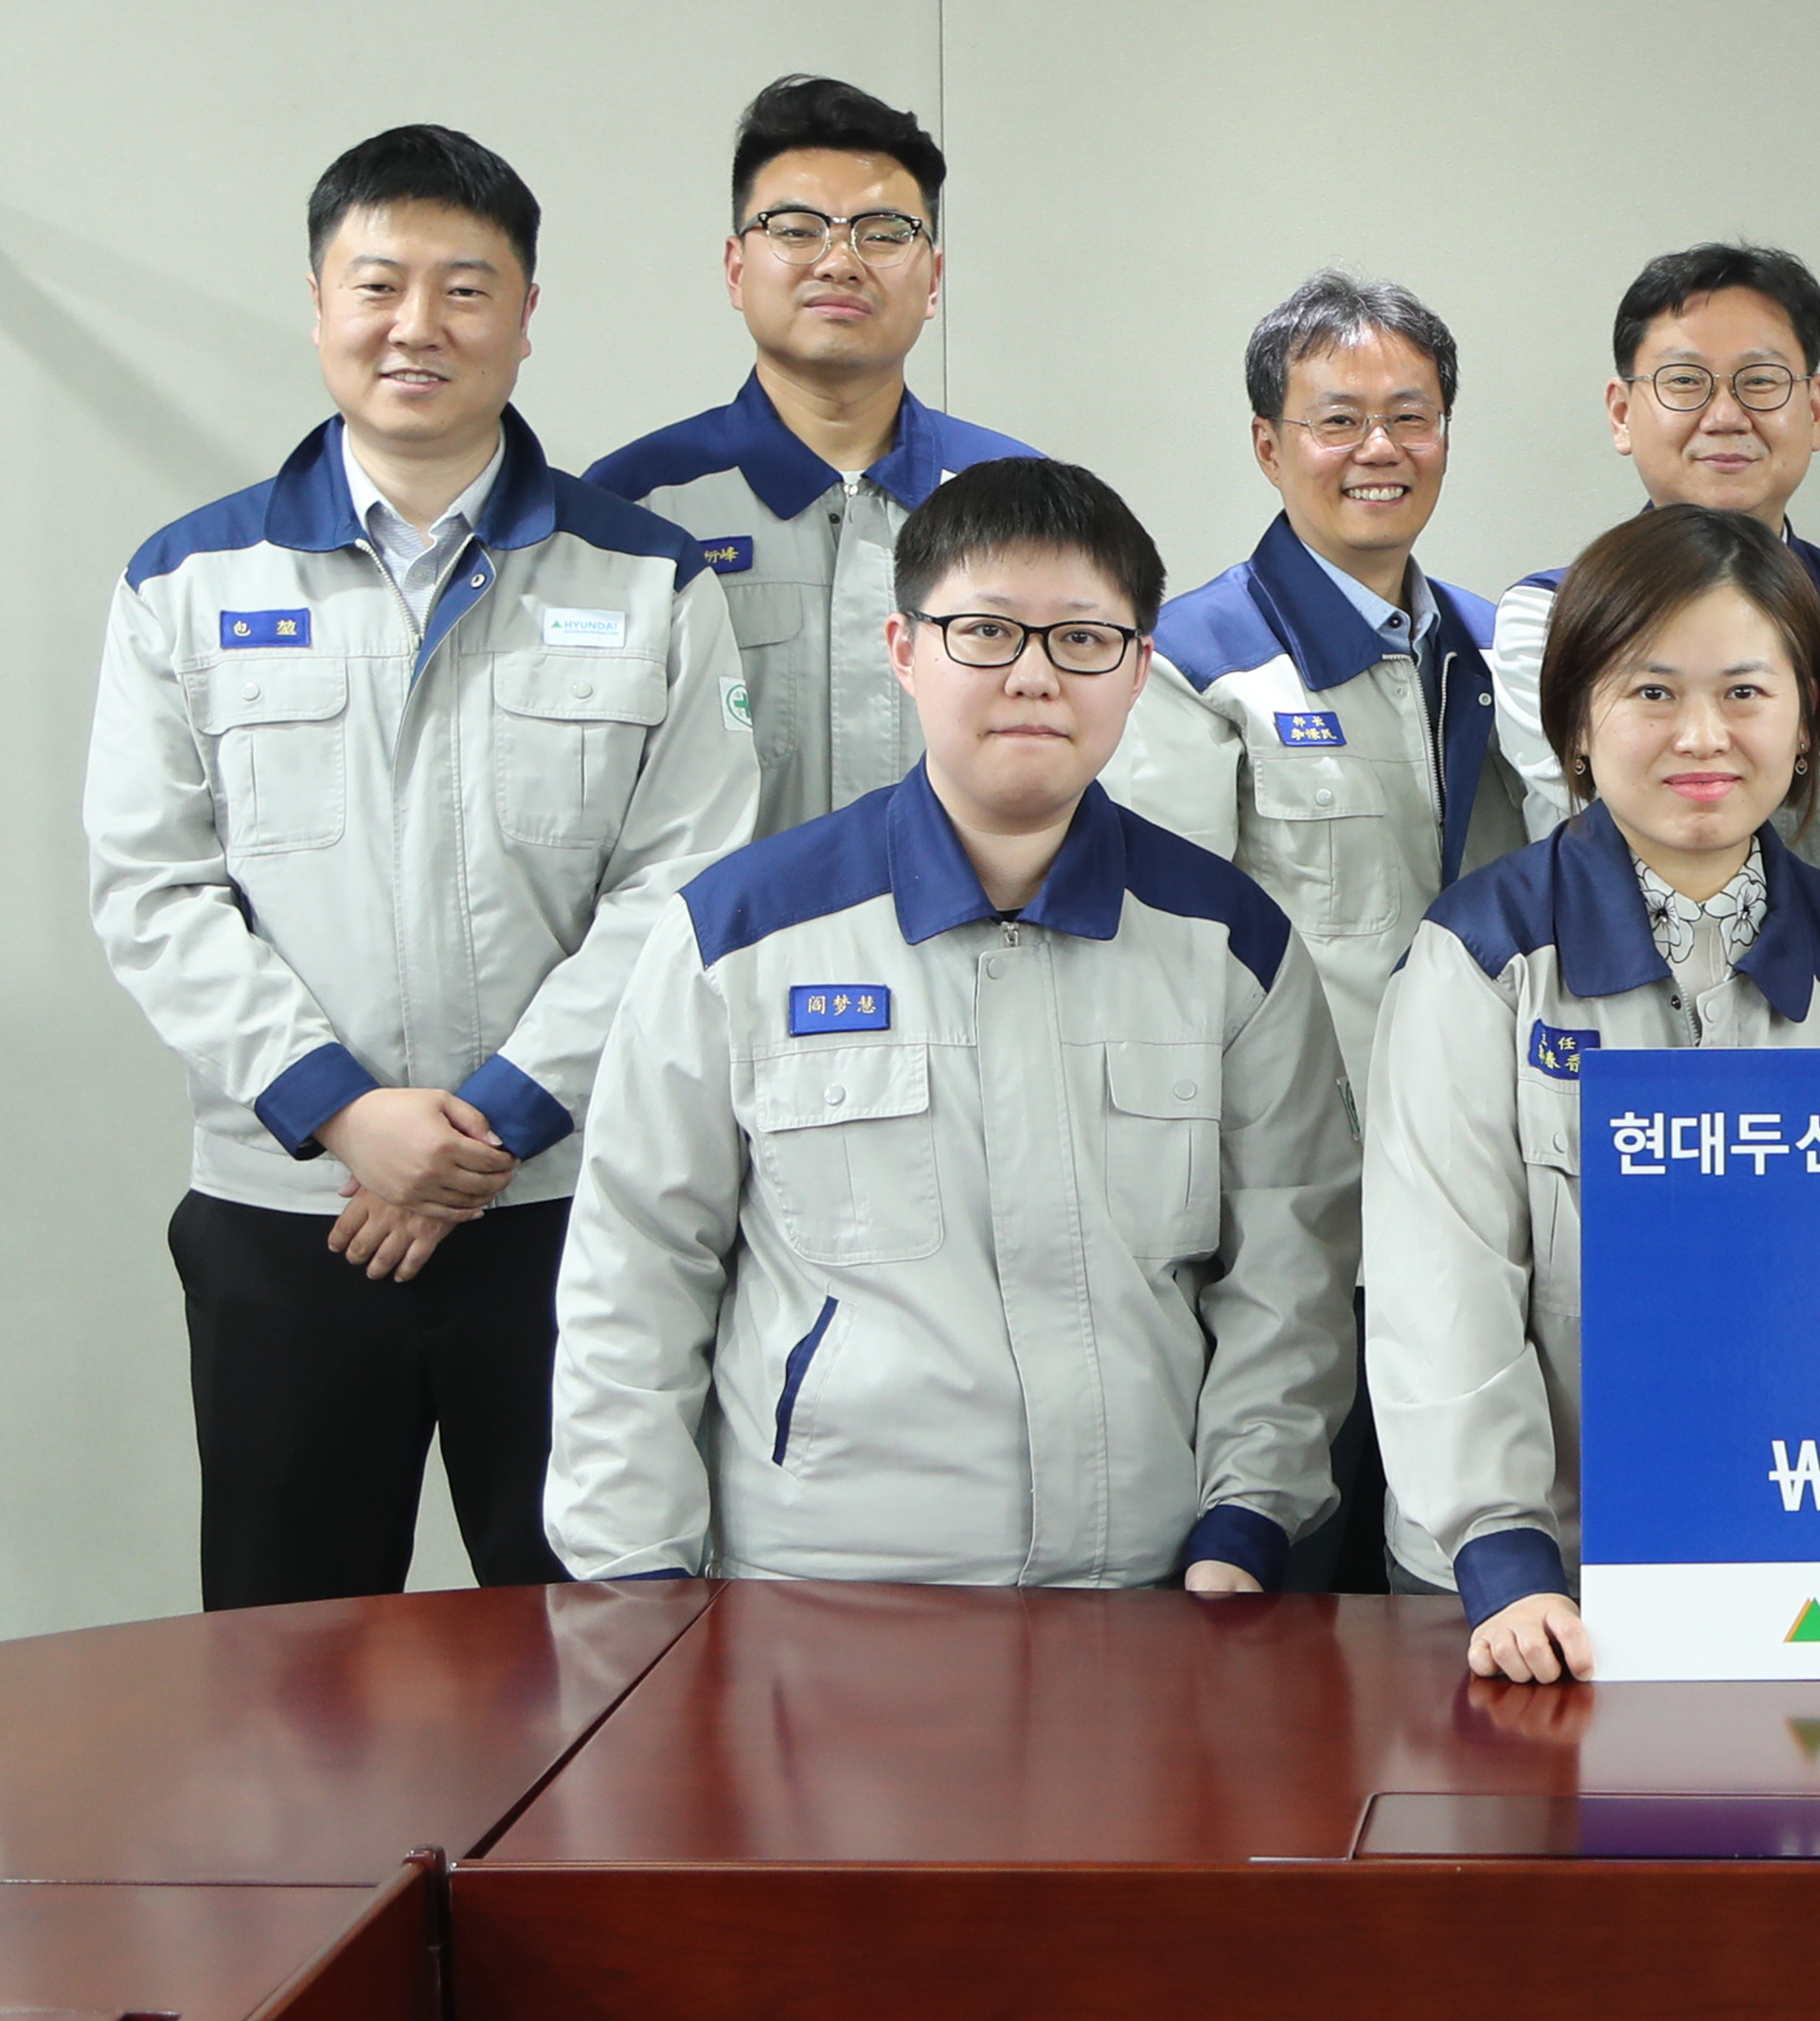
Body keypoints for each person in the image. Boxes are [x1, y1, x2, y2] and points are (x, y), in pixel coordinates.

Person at [85, 125, 757, 1609]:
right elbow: (154, 888)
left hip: (568, 1207)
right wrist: (343, 1112)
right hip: (290, 1211)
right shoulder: (187, 582)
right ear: (319, 302)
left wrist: (492, 1124)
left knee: (600, 1639)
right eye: (378, 283)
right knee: (289, 1655)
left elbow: (683, 882)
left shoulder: (645, 575)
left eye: (466, 288)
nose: (418, 325)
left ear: (525, 313)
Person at [545, 459, 1359, 1592]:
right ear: (903, 650)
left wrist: (1248, 1518)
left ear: (1138, 668)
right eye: (984, 632)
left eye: (1083, 639)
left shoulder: (1228, 943)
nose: (1033, 676)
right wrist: (635, 1579)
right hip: (817, 1591)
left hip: (1145, 1588)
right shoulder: (741, 934)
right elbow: (635, 1273)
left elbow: (1291, 1273)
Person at [1372, 506, 1820, 1683]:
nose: (1701, 736)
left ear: (1807, 719)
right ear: (1576, 722)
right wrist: (1502, 1553)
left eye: (1746, 692)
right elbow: (1439, 1275)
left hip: (1789, 1570)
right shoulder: (1483, 952)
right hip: (1521, 1591)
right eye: (1652, 693)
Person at [1109, 268, 1527, 1589]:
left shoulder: (1497, 652)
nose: (1378, 449)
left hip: (1472, 1216)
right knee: (1280, 1588)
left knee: (1455, 1582)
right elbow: (1164, 969)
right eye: (1338, 419)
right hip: (1286, 1232)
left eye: (1411, 416)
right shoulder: (1194, 661)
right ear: (1268, 443)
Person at [586, 75, 1041, 836]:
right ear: (737, 269)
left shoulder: (1021, 505)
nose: (839, 262)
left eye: (883, 233)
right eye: (796, 230)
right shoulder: (632, 508)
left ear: (934, 279)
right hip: (718, 918)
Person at [1486, 242, 1820, 913]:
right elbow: (1603, 837)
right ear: (1622, 414)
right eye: (1685, 381)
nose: (1725, 416)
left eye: (1761, 381)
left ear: (1815, 410)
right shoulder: (1550, 615)